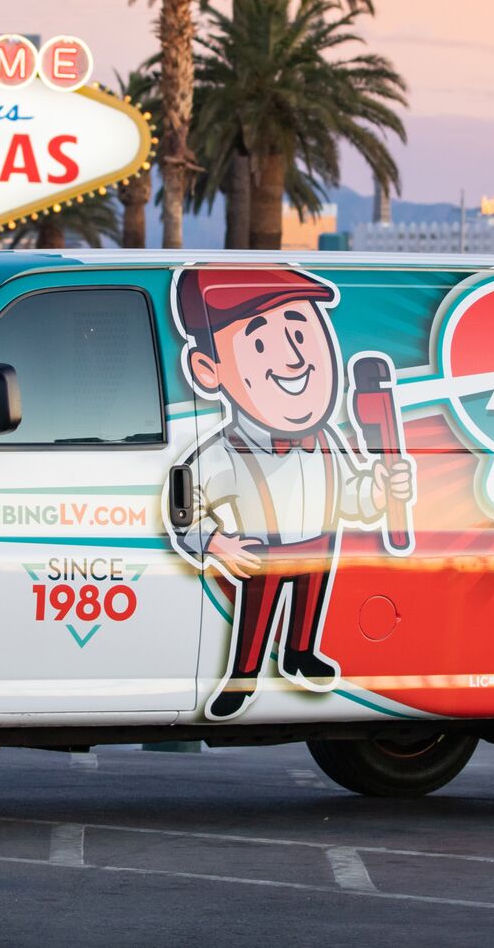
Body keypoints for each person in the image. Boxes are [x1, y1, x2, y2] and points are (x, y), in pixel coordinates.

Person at [168, 267, 415, 720]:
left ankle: (300, 653)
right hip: (261, 549)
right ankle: (242, 679)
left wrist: (378, 493)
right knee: (255, 618)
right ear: (208, 370)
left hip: (319, 544)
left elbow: (350, 496)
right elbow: (187, 502)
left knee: (308, 604)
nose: (294, 361)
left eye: (301, 335)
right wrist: (214, 541)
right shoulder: (223, 452)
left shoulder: (326, 443)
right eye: (260, 343)